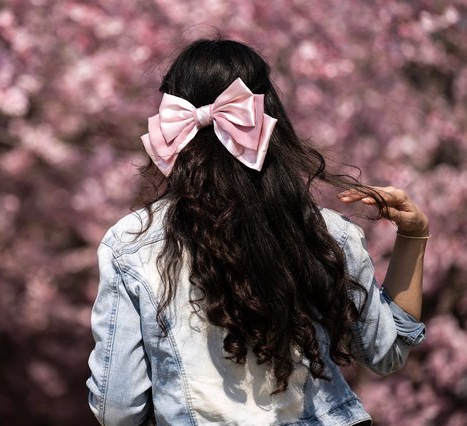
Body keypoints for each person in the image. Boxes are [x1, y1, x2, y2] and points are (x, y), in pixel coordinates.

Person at [86, 39, 429, 426]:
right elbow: (387, 352)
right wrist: (414, 236)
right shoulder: (327, 233)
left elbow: (118, 410)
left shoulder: (129, 244)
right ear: (272, 120)